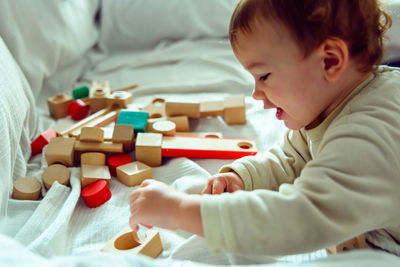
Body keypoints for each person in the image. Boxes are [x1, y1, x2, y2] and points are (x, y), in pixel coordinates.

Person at [129, 0, 400, 256]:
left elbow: (296, 220)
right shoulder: (332, 107)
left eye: (264, 76)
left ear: (329, 61)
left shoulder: (367, 138)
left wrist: (179, 210)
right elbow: (292, 159)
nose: (256, 93)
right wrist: (245, 177)